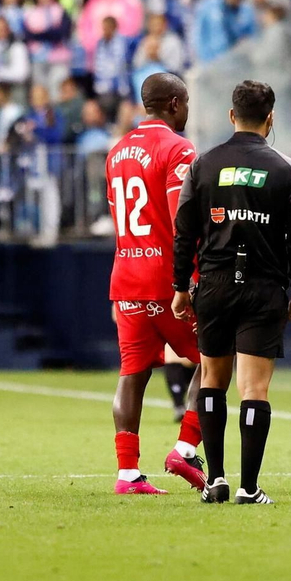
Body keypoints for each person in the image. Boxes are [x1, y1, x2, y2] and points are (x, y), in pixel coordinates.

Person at [170, 80, 291, 505]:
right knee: (254, 390)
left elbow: (184, 232)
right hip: (263, 287)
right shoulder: (288, 169)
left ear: (231, 116)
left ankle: (215, 480)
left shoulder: (203, 164)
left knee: (212, 383)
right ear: (271, 119)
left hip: (213, 285)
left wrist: (181, 287)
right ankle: (249, 488)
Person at [104, 72, 207, 496]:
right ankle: (185, 448)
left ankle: (127, 473)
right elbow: (184, 220)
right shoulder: (177, 148)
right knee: (216, 358)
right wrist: (193, 279)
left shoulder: (116, 151)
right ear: (175, 103)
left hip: (126, 278)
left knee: (132, 371)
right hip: (167, 279)